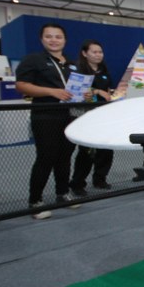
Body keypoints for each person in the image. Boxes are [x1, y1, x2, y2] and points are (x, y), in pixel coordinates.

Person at [15, 23, 78, 219]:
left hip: (69, 115)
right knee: (46, 157)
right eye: (49, 36)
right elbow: (21, 85)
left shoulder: (72, 63)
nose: (54, 40)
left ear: (64, 40)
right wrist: (52, 92)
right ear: (42, 39)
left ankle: (63, 193)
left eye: (58, 37)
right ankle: (35, 201)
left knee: (65, 156)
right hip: (45, 115)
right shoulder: (33, 60)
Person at [69, 40, 114, 196]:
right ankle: (78, 183)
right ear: (84, 53)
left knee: (106, 149)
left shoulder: (104, 71)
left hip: (104, 114)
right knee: (87, 151)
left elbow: (108, 90)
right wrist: (97, 91)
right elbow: (75, 92)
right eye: (94, 52)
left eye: (100, 52)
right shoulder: (78, 71)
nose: (98, 55)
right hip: (85, 115)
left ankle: (100, 179)